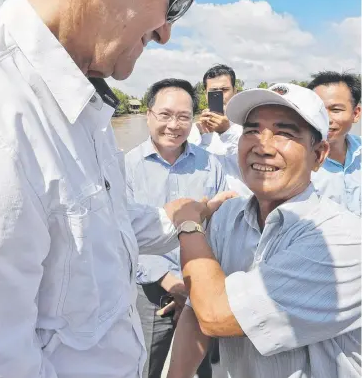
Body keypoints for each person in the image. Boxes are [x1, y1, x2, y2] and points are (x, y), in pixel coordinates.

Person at [0, 0, 220, 377]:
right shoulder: (6, 117)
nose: (166, 32)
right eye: (175, 1)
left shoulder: (79, 104)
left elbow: (99, 224)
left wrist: (183, 217)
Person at [168, 83, 361, 378]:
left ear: (319, 154)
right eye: (252, 130)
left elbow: (216, 315)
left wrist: (189, 224)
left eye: (285, 133)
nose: (263, 146)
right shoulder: (227, 217)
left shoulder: (341, 240)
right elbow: (197, 310)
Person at [125, 78, 227, 378]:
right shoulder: (124, 166)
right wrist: (173, 285)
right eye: (165, 115)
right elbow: (123, 235)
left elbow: (218, 229)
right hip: (148, 293)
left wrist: (197, 288)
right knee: (144, 366)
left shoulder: (211, 164)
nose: (174, 125)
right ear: (148, 114)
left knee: (203, 367)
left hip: (202, 290)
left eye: (183, 117)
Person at [189, 64, 251, 196]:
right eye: (214, 91)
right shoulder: (194, 130)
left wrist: (226, 131)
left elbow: (251, 163)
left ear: (235, 91)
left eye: (224, 89)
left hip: (242, 203)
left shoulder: (249, 126)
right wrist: (201, 136)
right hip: (209, 208)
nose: (219, 95)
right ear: (206, 94)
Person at [308, 71, 361, 216]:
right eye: (318, 110)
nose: (326, 119)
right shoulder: (298, 162)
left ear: (356, 114)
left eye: (335, 110)